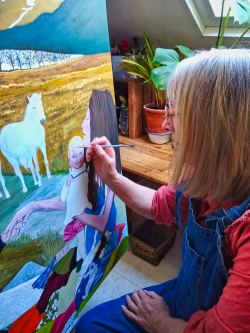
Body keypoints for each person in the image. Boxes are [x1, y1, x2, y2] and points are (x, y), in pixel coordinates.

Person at [75, 49, 250, 333]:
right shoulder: (205, 176)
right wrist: (110, 176)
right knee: (89, 325)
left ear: (213, 126)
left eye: (174, 112)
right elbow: (157, 204)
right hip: (184, 296)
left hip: (198, 325)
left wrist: (161, 322)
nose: (166, 123)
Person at [1, 90, 124, 333]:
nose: (81, 124)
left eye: (87, 120)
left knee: (28, 302)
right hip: (76, 251)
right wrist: (32, 207)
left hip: (87, 260)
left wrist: (78, 218)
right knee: (26, 274)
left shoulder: (109, 175)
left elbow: (105, 225)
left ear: (99, 122)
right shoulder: (86, 164)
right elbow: (67, 202)